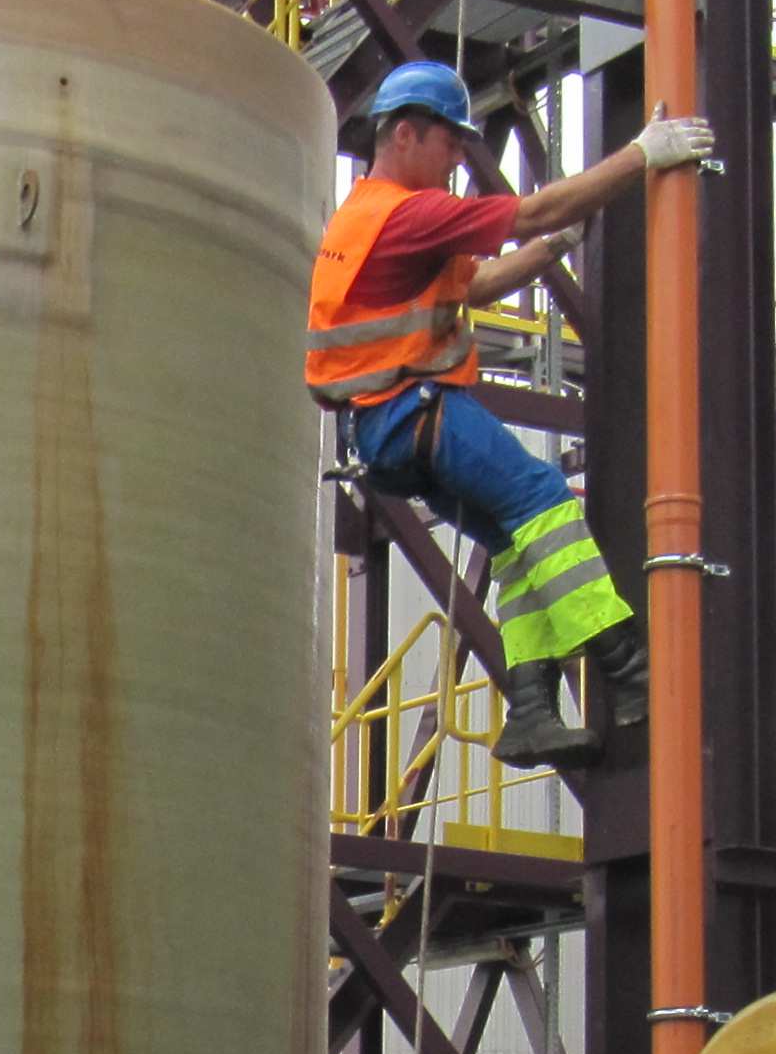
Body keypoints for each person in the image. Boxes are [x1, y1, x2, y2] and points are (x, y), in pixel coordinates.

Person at [306, 59, 718, 770]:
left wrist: (554, 248)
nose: (459, 159)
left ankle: (530, 711)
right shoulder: (408, 214)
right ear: (406, 134)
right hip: (410, 411)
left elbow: (478, 283)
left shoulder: (364, 217)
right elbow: (531, 210)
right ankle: (626, 665)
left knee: (512, 540)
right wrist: (640, 156)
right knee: (542, 497)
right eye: (451, 142)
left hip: (380, 437)